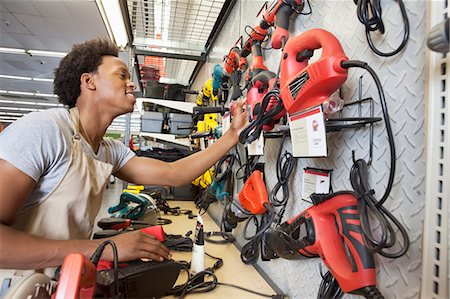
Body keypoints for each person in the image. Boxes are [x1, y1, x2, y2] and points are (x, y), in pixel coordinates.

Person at [0, 38, 247, 279]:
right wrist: (104, 247)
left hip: (62, 281)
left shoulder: (109, 151)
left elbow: (174, 174)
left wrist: (232, 135)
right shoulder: (45, 130)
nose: (132, 85)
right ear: (89, 81)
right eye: (122, 76)